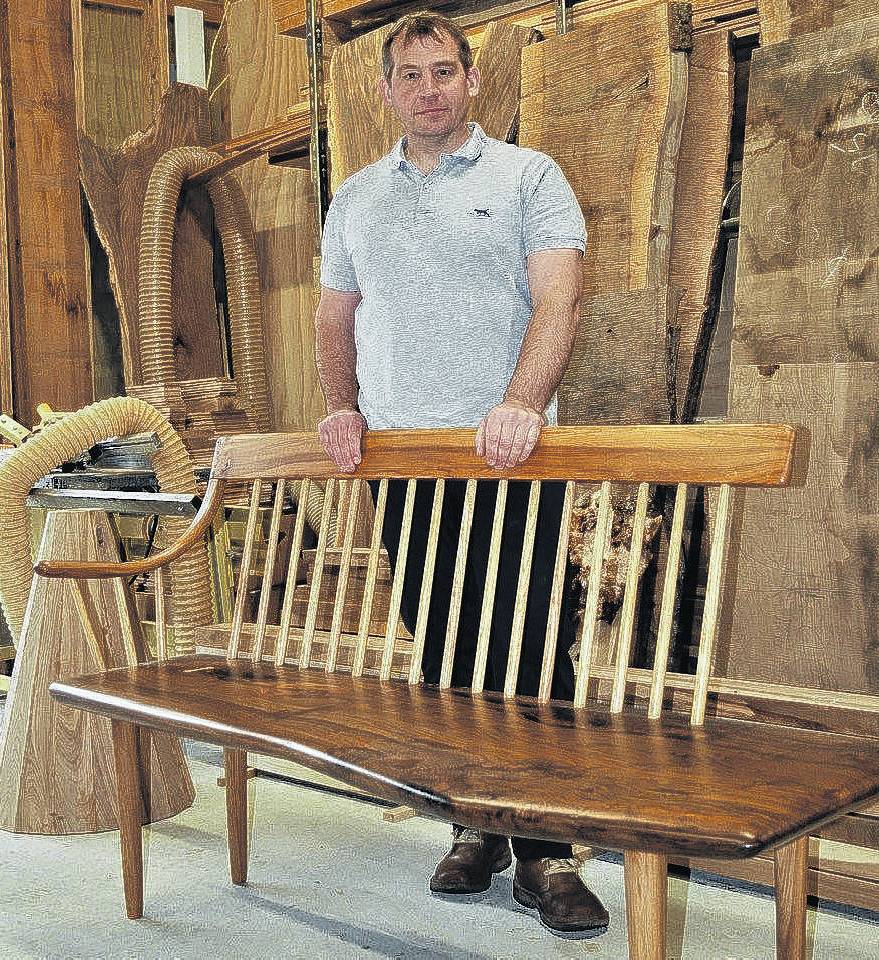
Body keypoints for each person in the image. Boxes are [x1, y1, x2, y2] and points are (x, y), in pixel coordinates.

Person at [313, 10, 608, 934]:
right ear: (387, 90)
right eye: (412, 76)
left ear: (473, 81)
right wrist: (344, 405)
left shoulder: (529, 177)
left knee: (526, 647)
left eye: (445, 72)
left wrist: (520, 402)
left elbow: (558, 298)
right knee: (442, 649)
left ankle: (547, 854)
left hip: (507, 454)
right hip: (405, 456)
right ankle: (475, 826)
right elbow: (335, 315)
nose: (430, 90)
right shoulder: (356, 196)